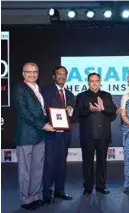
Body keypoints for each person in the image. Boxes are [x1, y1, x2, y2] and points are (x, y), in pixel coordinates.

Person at [12, 62, 55, 210]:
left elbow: (41, 111)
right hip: (25, 136)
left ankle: (35, 197)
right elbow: (24, 113)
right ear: (23, 73)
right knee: (25, 171)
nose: (32, 74)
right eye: (29, 71)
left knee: (38, 169)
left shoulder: (38, 89)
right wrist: (43, 125)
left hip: (39, 136)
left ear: (38, 73)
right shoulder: (19, 89)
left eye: (35, 71)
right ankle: (26, 200)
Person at [74, 73, 117, 195]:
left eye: (96, 81)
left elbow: (113, 112)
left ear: (100, 82)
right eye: (92, 81)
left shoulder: (106, 95)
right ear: (88, 83)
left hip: (103, 135)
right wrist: (89, 110)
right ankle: (87, 187)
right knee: (87, 162)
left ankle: (101, 186)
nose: (94, 83)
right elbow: (76, 114)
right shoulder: (81, 96)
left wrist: (103, 108)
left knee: (102, 162)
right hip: (87, 135)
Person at [42, 66, 75, 204]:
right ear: (54, 76)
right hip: (51, 134)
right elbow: (41, 110)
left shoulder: (70, 94)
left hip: (65, 135)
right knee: (49, 164)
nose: (62, 76)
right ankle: (47, 192)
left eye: (64, 74)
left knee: (62, 164)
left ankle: (59, 191)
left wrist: (71, 110)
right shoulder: (46, 91)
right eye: (59, 74)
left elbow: (74, 115)